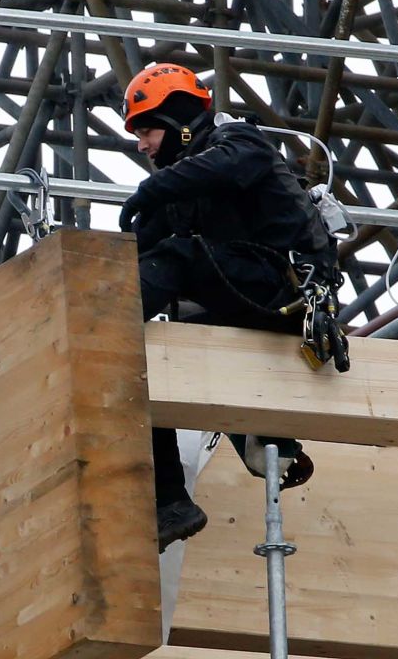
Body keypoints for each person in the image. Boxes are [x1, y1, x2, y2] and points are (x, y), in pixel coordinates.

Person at [118, 63, 333, 552]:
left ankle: (110, 324)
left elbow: (222, 170)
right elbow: (138, 254)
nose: (142, 145)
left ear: (178, 121)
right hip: (242, 295)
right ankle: (172, 501)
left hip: (286, 290)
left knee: (171, 260)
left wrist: (149, 194)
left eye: (147, 129)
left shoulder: (238, 142)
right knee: (144, 361)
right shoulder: (180, 189)